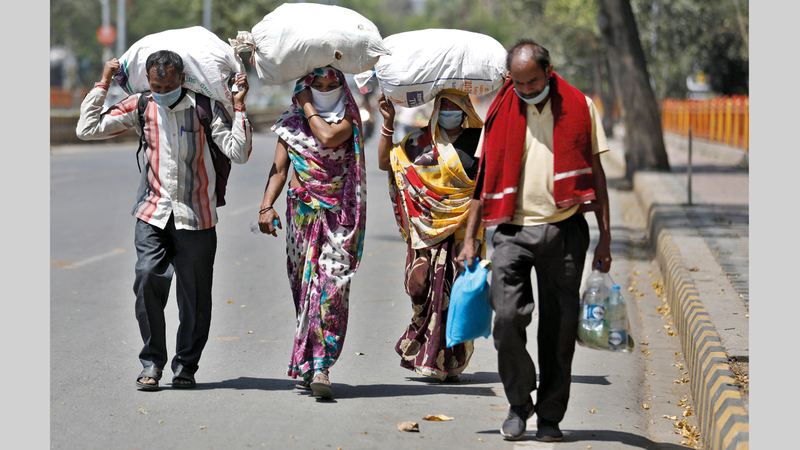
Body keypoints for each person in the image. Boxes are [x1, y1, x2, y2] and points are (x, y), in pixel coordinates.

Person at [457, 39, 612, 441]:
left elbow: (596, 173)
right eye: (518, 82)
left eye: (532, 81)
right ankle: (518, 402)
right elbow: (484, 179)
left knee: (560, 330)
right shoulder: (500, 111)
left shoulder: (580, 106)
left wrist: (606, 237)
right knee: (507, 320)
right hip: (510, 231)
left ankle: (549, 418)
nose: (525, 90)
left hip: (565, 229)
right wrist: (471, 236)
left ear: (549, 71)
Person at [76, 50, 253, 390]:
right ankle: (152, 363)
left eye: (168, 85)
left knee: (195, 297)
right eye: (156, 85)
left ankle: (186, 367)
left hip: (197, 216)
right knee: (146, 279)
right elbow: (87, 128)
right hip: (152, 212)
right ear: (149, 82)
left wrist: (240, 105)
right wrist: (103, 82)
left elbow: (239, 153)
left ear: (181, 80)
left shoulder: (205, 108)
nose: (162, 91)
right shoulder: (141, 106)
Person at [256, 66, 367, 400]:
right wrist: (266, 206)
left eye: (329, 85)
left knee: (331, 288)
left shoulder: (348, 119)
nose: (322, 90)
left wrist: (307, 103)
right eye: (315, 86)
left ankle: (322, 366)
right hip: (302, 215)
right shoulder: (290, 122)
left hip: (339, 217)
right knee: (306, 289)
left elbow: (328, 137)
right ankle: (309, 362)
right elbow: (279, 168)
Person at [376, 89, 486, 382]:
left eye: (455, 105)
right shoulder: (418, 140)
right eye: (444, 105)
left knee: (454, 295)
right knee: (420, 286)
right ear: (436, 109)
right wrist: (388, 123)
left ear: (466, 110)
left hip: (464, 230)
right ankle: (425, 347)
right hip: (425, 229)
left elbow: (487, 185)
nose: (449, 110)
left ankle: (444, 361)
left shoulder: (479, 141)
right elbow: (388, 164)